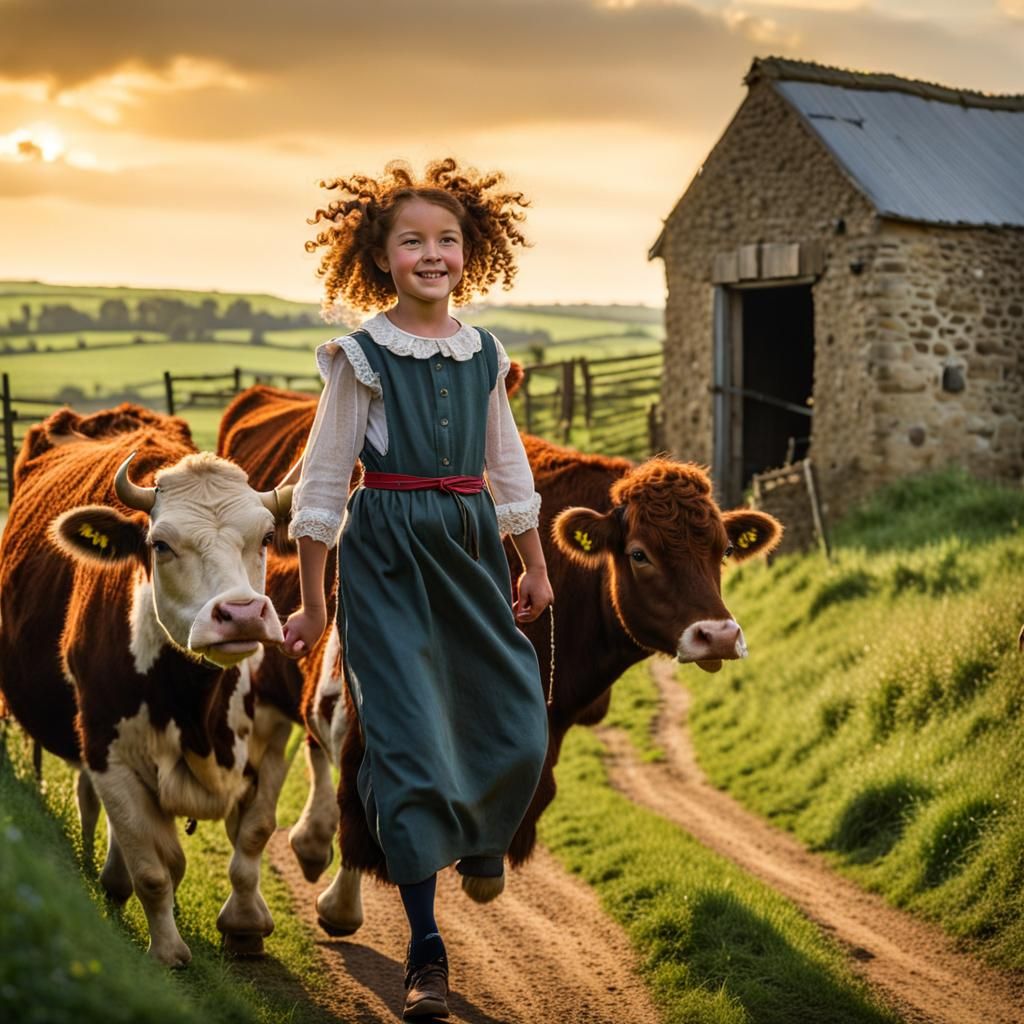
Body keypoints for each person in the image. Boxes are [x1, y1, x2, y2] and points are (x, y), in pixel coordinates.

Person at [281, 158, 552, 1021]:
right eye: (412, 241)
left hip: (471, 544)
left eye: (448, 240)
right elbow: (324, 487)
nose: (432, 255)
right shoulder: (356, 357)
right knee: (402, 747)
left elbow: (506, 468)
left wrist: (535, 562)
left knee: (515, 721)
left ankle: (481, 845)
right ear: (381, 255)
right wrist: (316, 604)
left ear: (473, 253)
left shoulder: (485, 352)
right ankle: (425, 953)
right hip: (388, 553)